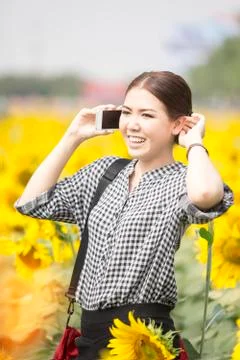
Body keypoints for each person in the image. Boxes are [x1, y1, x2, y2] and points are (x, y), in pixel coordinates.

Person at [14, 71, 234, 360]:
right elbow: (31, 203)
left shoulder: (182, 181)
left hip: (144, 340)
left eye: (147, 115)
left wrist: (194, 142)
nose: (132, 124)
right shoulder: (105, 172)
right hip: (90, 337)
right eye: (127, 112)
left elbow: (207, 196)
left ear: (178, 124)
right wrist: (73, 136)